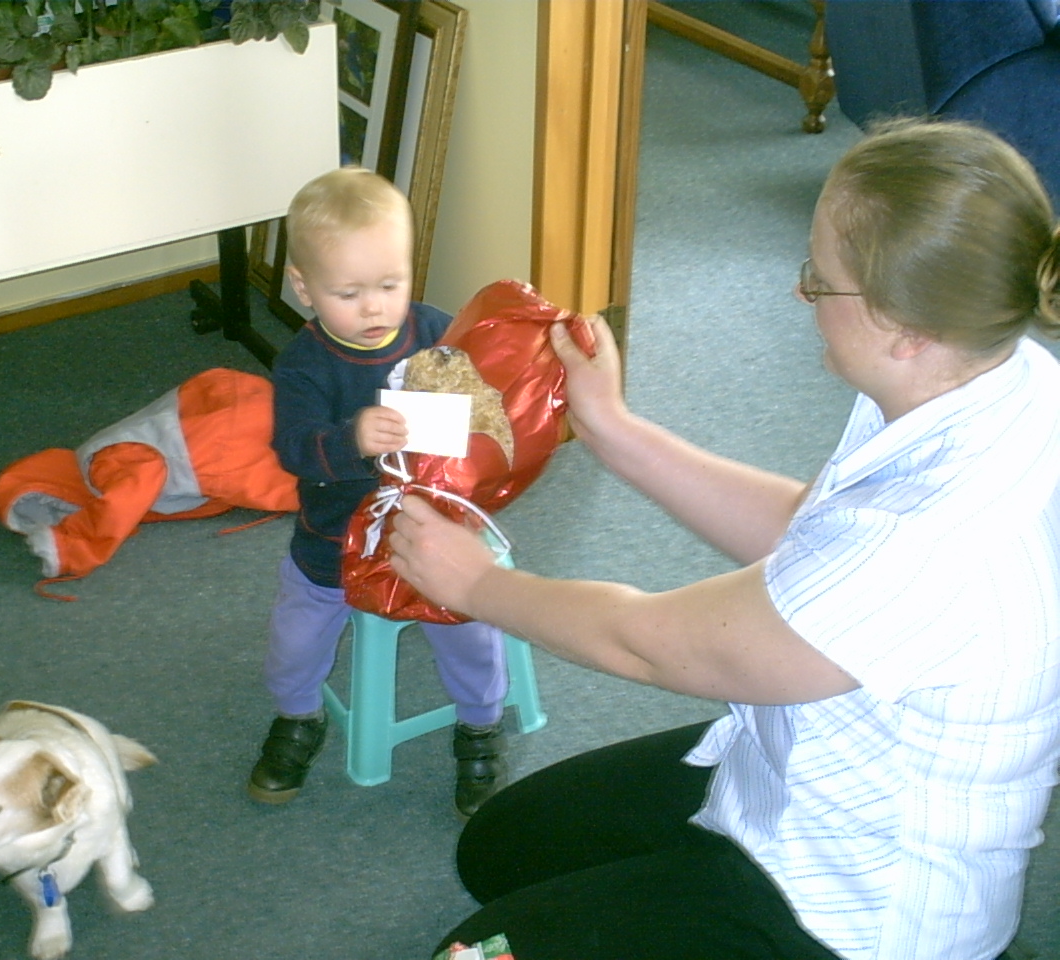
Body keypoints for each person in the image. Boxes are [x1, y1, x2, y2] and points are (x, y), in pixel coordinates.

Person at [388, 117, 1060, 959]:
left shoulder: (927, 542)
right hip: (795, 768)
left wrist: (479, 586)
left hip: (848, 916)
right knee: (502, 850)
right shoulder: (993, 370)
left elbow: (652, 644)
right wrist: (615, 431)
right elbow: (813, 532)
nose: (801, 294)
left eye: (819, 280)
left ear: (903, 326)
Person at [247, 167, 512, 818]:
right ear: (303, 288)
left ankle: (480, 724)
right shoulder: (303, 364)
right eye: (349, 293)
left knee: (473, 632)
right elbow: (292, 449)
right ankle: (298, 714)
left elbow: (488, 401)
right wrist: (350, 440)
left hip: (434, 535)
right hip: (332, 544)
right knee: (293, 644)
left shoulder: (437, 333)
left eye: (391, 285)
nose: (374, 307)